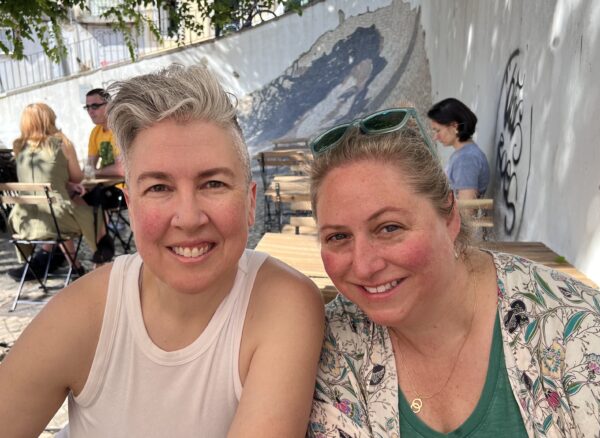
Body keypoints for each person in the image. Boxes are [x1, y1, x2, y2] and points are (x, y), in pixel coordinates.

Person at [0, 64, 324, 437]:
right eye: (158, 188)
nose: (188, 218)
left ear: (250, 204)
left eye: (213, 183)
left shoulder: (285, 303)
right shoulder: (84, 313)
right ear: (131, 207)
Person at [306, 108, 600, 437]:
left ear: (450, 216)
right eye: (338, 237)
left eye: (389, 227)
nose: (363, 265)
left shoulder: (576, 328)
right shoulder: (322, 346)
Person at [6, 103, 112, 281]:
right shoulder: (61, 142)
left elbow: (40, 181)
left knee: (63, 205)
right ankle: (101, 261)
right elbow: (78, 177)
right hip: (57, 221)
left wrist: (66, 186)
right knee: (95, 213)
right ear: (50, 119)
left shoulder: (20, 148)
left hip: (24, 223)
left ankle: (75, 267)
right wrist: (72, 184)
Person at [427, 98, 490, 200]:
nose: (435, 137)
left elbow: (467, 211)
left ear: (454, 126)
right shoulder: (464, 154)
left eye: (438, 130)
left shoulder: (466, 159)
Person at [84, 88, 124, 177]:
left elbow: (121, 169)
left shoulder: (121, 128)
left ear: (109, 105)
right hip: (107, 187)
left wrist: (95, 172)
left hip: (123, 188)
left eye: (95, 106)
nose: (90, 111)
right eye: (87, 107)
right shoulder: (95, 131)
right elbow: (89, 166)